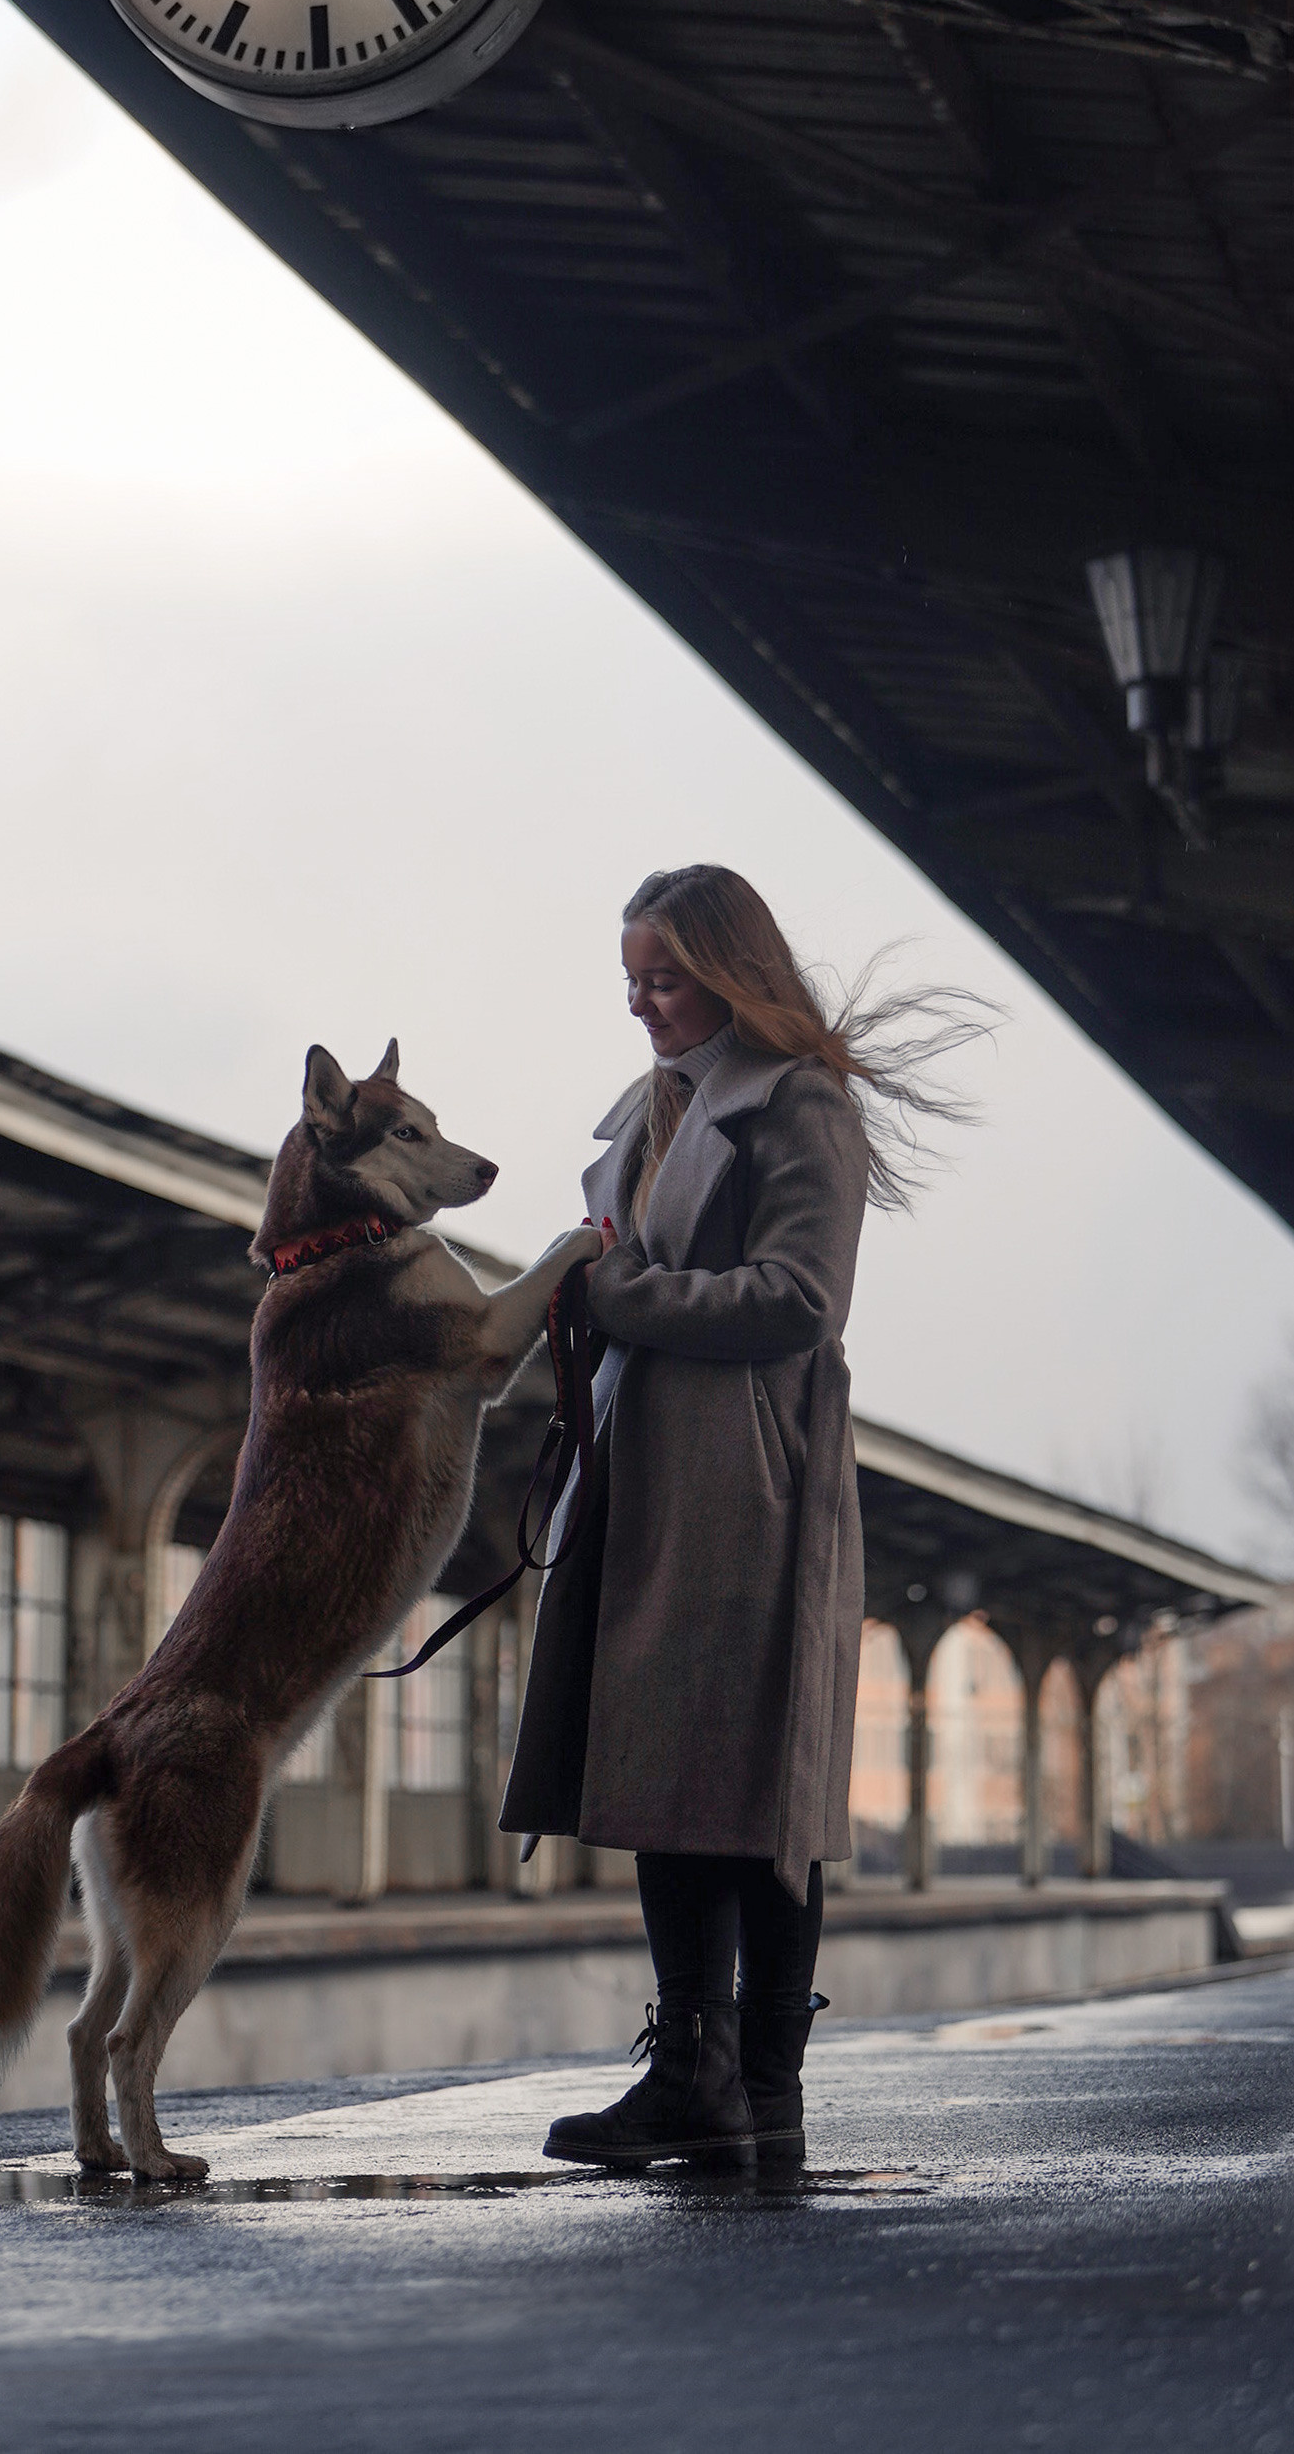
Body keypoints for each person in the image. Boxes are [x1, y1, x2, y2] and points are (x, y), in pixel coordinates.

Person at [500, 863, 983, 2170]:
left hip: (749, 1479)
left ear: (729, 968)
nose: (641, 1005)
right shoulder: (649, 1107)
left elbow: (796, 1298)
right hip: (647, 1466)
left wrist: (619, 1296)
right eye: (629, 982)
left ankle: (741, 2072)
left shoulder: (799, 1101)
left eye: (661, 978)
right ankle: (714, 2071)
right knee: (678, 1768)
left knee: (747, 1776)